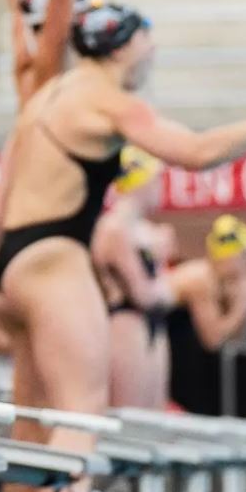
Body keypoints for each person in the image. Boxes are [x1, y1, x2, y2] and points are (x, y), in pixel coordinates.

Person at [0, 0, 246, 492]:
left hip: (13, 261)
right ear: (126, 44)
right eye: (147, 38)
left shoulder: (45, 95)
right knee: (77, 417)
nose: (152, 49)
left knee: (32, 426)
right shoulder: (109, 100)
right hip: (56, 260)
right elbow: (197, 152)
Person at [96, 146, 177, 408]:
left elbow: (157, 291)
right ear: (141, 182)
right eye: (157, 180)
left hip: (151, 325)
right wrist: (171, 285)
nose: (160, 187)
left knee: (155, 418)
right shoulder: (113, 229)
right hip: (125, 323)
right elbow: (143, 293)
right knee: (129, 418)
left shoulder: (147, 231)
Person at [170, 215, 246, 352]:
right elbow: (213, 341)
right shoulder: (199, 280)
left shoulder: (217, 280)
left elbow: (238, 342)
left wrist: (245, 305)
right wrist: (242, 306)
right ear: (231, 256)